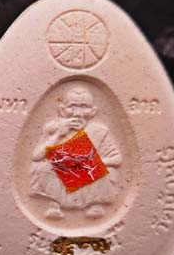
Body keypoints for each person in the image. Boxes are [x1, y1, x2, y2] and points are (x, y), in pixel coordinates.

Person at [30, 86, 122, 219]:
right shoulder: (53, 128)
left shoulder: (99, 131)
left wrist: (90, 161)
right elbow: (36, 156)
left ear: (92, 111)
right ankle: (54, 205)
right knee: (42, 166)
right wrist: (58, 134)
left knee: (106, 170)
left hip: (87, 171)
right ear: (62, 110)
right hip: (63, 170)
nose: (78, 113)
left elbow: (117, 159)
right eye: (72, 106)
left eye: (84, 107)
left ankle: (95, 205)